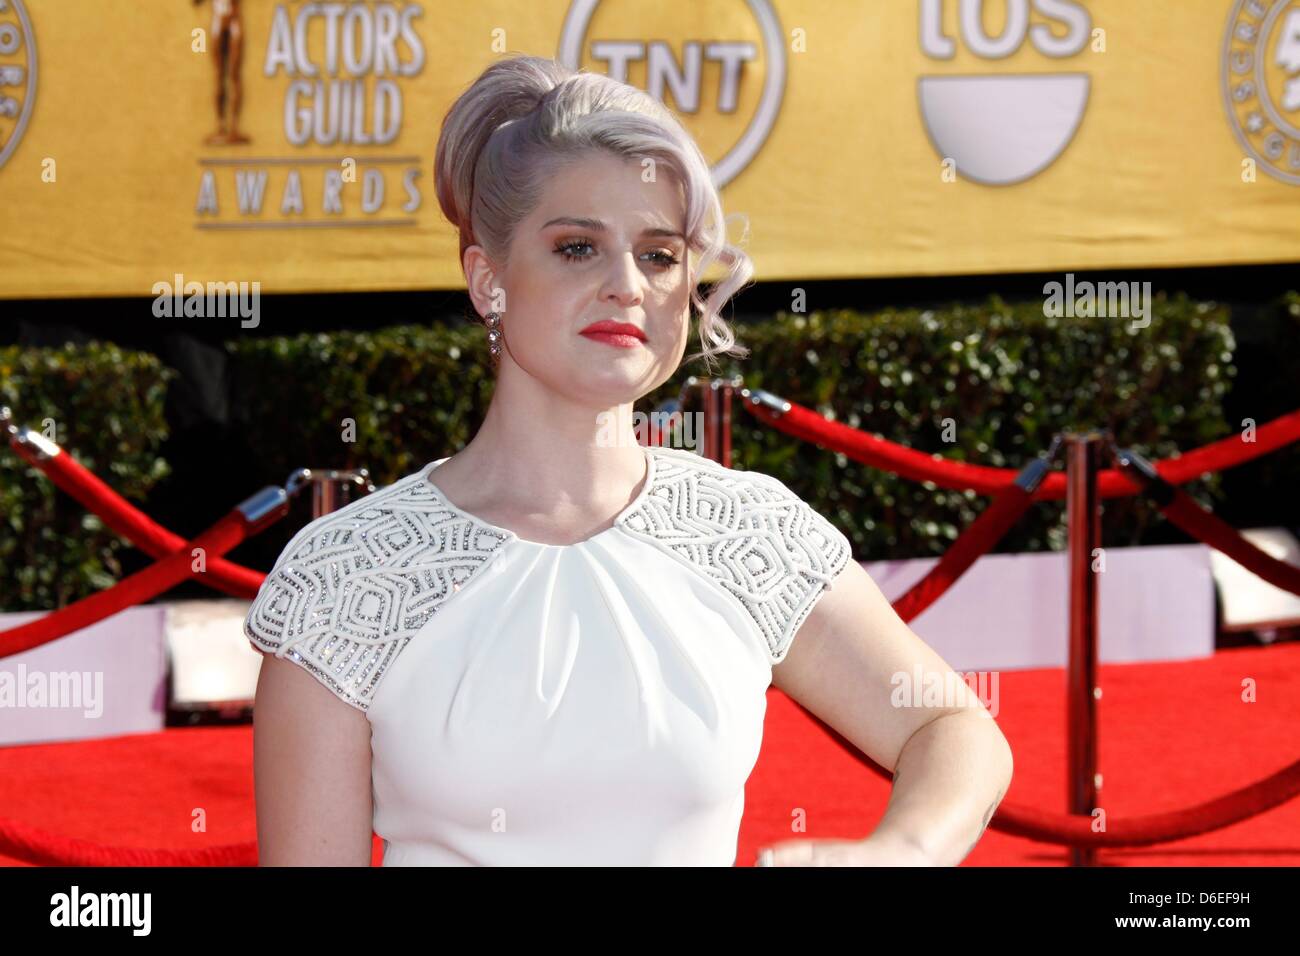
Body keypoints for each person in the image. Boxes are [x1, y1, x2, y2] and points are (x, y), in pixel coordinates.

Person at [245, 54, 1012, 867]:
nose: (626, 286)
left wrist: (901, 851)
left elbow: (953, 728)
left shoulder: (743, 530)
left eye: (658, 255)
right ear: (487, 280)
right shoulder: (351, 572)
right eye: (578, 248)